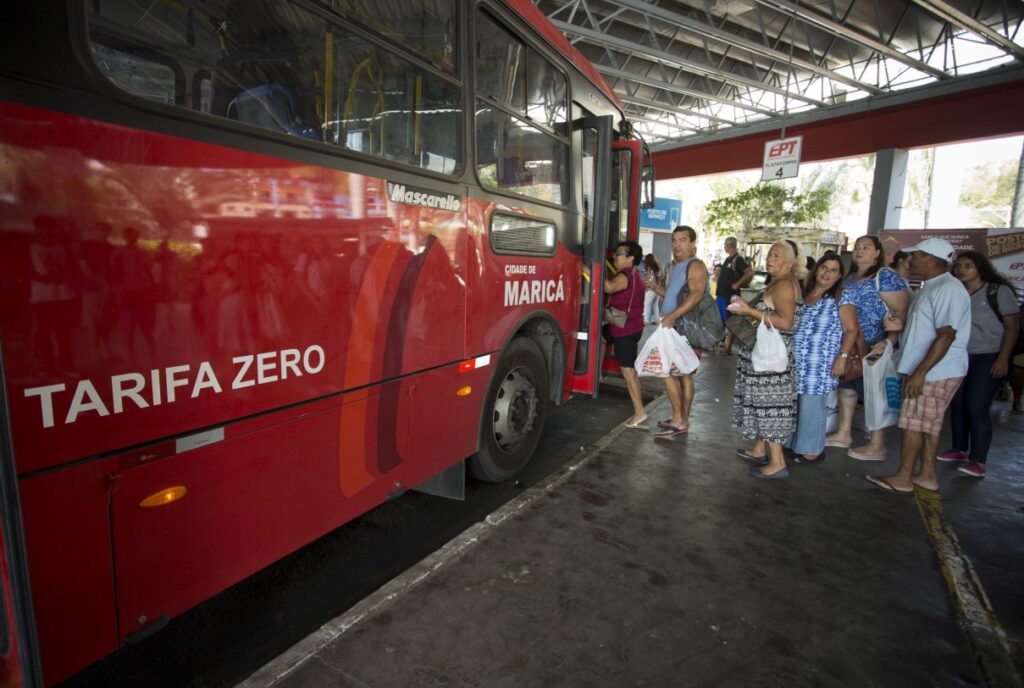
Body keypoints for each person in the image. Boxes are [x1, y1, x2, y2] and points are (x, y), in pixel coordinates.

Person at [867, 238, 970, 494]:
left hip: (934, 371)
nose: (910, 260)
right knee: (928, 424)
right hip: (931, 370)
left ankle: (904, 477)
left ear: (931, 260)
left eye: (917, 256)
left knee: (913, 423)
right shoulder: (933, 286)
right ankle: (926, 476)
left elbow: (946, 335)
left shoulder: (947, 289)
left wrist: (920, 373)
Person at [825, 235, 911, 461]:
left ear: (877, 253)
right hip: (849, 344)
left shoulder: (885, 277)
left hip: (874, 345)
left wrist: (890, 340)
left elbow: (901, 312)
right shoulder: (849, 278)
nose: (859, 251)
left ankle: (877, 444)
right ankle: (844, 433)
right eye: (857, 247)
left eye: (866, 247)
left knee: (874, 393)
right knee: (847, 388)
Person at [937, 251, 1019, 478]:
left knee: (977, 405)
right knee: (958, 402)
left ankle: (978, 459)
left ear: (980, 268)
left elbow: (1012, 328)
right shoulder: (958, 292)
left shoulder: (997, 291)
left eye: (968, 266)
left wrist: (1003, 358)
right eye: (959, 266)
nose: (961, 270)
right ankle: (959, 448)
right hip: (962, 354)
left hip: (989, 355)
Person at [729, 240, 806, 478]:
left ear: (791, 262)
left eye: (777, 256)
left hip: (772, 364)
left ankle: (777, 464)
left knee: (770, 408)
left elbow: (786, 322)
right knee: (761, 405)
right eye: (770, 255)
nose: (770, 259)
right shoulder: (781, 282)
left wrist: (748, 311)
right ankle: (759, 450)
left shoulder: (784, 286)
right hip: (767, 358)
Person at [789, 252, 860, 463]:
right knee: (796, 404)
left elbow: (851, 329)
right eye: (824, 268)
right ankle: (794, 444)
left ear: (839, 276)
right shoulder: (805, 293)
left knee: (812, 406)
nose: (827, 273)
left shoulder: (841, 296)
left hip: (819, 364)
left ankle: (812, 451)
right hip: (797, 360)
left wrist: (843, 357)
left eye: (833, 270)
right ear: (816, 269)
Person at [647, 226, 707, 438]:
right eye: (674, 240)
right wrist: (655, 288)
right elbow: (674, 296)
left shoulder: (695, 265)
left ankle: (679, 420)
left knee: (666, 372)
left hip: (681, 328)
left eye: (682, 240)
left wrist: (672, 317)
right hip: (674, 327)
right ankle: (680, 420)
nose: (676, 245)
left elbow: (697, 294)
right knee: (684, 376)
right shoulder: (677, 266)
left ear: (692, 243)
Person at [604, 241, 648, 429]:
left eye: (619, 253)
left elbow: (609, 288)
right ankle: (596, 375)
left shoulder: (625, 275)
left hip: (625, 330)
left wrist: (590, 267)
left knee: (628, 372)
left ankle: (640, 412)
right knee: (597, 337)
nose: (615, 256)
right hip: (624, 326)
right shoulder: (636, 274)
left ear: (630, 259)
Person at [715, 237, 753, 354]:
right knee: (719, 319)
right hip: (721, 295)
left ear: (729, 245)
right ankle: (720, 342)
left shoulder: (738, 259)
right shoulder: (727, 259)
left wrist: (737, 284)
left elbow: (749, 272)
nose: (724, 247)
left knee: (731, 321)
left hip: (729, 296)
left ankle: (728, 348)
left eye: (725, 245)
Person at [642, 253, 662, 325]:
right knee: (655, 305)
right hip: (657, 290)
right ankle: (657, 320)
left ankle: (646, 320)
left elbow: (648, 278)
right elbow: (659, 279)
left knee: (646, 304)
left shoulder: (650, 268)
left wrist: (644, 282)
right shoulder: (657, 267)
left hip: (651, 289)